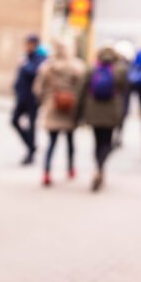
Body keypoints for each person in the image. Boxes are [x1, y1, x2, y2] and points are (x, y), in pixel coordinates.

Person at [33, 39, 85, 187]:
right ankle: (70, 168)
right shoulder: (76, 66)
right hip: (70, 107)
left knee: (51, 142)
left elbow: (38, 88)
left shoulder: (48, 67)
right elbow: (81, 88)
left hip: (52, 105)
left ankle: (47, 172)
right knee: (70, 141)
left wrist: (46, 100)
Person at [79, 46, 128, 192]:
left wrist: (78, 113)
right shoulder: (120, 70)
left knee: (97, 141)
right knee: (107, 142)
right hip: (112, 112)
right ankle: (101, 168)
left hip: (93, 111)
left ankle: (98, 169)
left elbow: (81, 90)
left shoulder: (92, 69)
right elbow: (125, 91)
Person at [11, 33, 46, 165]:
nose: (27, 46)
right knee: (14, 121)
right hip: (22, 97)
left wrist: (25, 65)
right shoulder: (26, 57)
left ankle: (31, 151)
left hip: (33, 98)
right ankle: (31, 145)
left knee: (32, 126)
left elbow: (35, 72)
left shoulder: (40, 58)